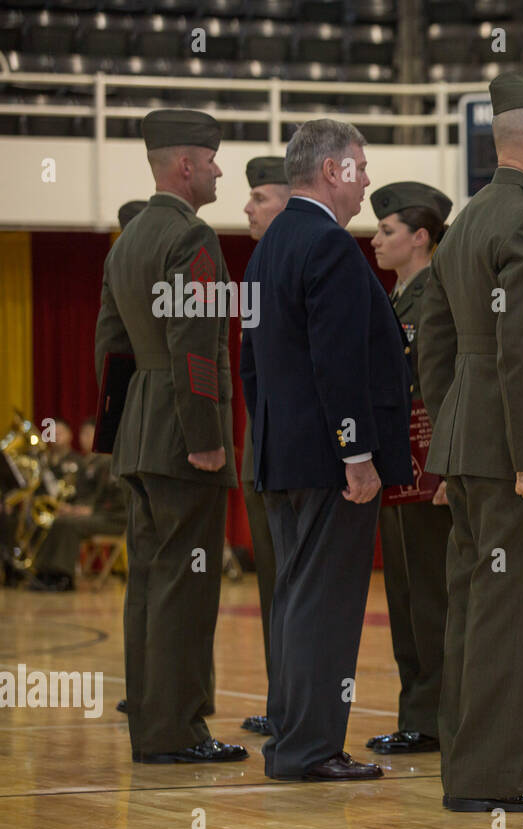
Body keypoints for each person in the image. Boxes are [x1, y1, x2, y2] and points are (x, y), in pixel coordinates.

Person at [417, 71, 523, 812]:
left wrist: (449, 438)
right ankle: (493, 779)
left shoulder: (470, 219)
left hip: (465, 444)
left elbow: (438, 347)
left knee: (473, 614)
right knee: (512, 619)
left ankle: (468, 768)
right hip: (516, 450)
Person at [241, 118, 412, 782]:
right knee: (324, 603)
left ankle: (293, 737)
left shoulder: (268, 249)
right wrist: (356, 453)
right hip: (330, 464)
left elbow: (251, 364)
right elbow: (338, 363)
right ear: (331, 170)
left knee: (295, 597)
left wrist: (276, 440)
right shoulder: (329, 246)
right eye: (360, 165)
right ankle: (308, 750)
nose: (366, 178)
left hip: (284, 455)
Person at [93, 108, 245, 764]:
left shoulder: (127, 240)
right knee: (188, 584)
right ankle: (180, 732)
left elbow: (111, 348)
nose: (217, 170)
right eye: (211, 160)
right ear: (185, 166)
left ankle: (153, 728)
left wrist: (116, 433)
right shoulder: (193, 239)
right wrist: (205, 435)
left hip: (140, 435)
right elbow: (194, 347)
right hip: (184, 435)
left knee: (151, 585)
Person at [366, 180, 455, 756]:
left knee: (430, 591)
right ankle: (418, 714)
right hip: (398, 459)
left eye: (387, 231)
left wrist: (446, 465)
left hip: (430, 463)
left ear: (420, 238)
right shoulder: (396, 299)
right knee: (403, 589)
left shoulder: (439, 297)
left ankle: (440, 717)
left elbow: (445, 386)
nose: (374, 240)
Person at [238, 155, 291, 738]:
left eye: (259, 197)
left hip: (290, 446)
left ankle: (298, 707)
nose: (247, 208)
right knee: (273, 583)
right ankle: (284, 702)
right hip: (263, 443)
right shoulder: (257, 264)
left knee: (294, 584)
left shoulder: (305, 258)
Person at [28, 418, 127, 592]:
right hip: (96, 514)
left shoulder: (108, 462)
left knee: (69, 525)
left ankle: (64, 577)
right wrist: (72, 508)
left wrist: (90, 510)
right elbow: (85, 496)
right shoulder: (87, 462)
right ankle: (44, 572)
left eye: (90, 434)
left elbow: (117, 498)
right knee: (54, 521)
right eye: (83, 433)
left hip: (112, 519)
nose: (85, 438)